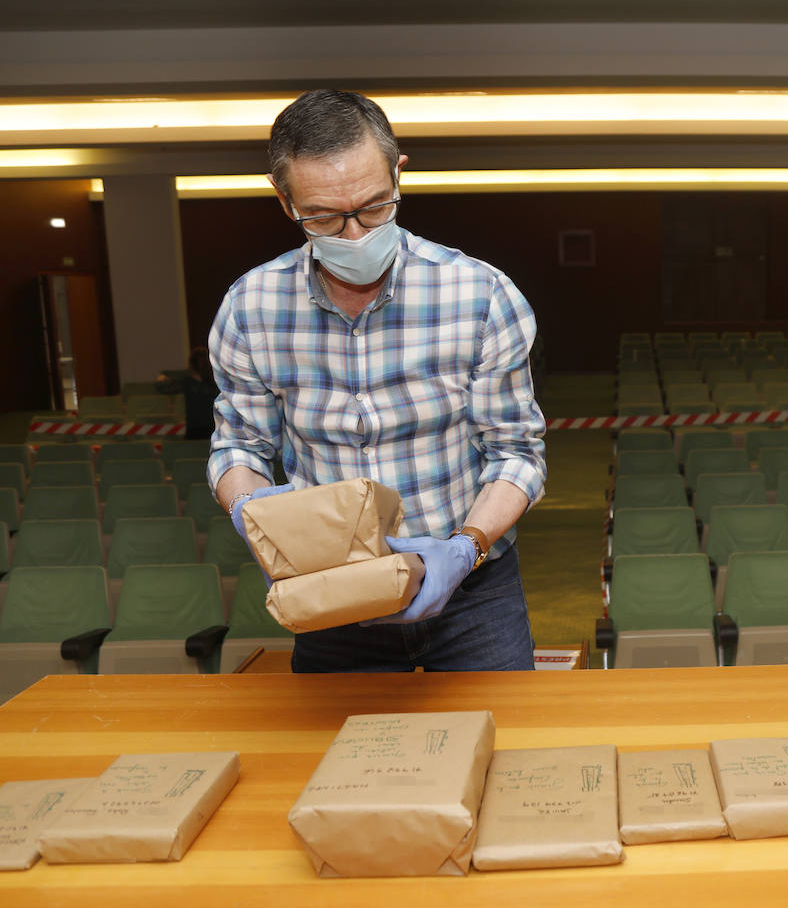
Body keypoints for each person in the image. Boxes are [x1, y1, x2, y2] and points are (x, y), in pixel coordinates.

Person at [207, 89, 547, 673]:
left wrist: (465, 549)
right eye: (324, 216)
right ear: (284, 199)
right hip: (333, 595)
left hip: (473, 597)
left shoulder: (482, 295)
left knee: (503, 750)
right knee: (335, 758)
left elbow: (515, 454)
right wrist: (254, 514)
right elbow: (240, 445)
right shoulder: (250, 307)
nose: (356, 232)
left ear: (398, 171)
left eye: (374, 205)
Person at [155, 346, 218, 440]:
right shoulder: (216, 382)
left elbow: (163, 388)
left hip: (194, 428)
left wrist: (161, 380)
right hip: (213, 428)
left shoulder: (187, 382)